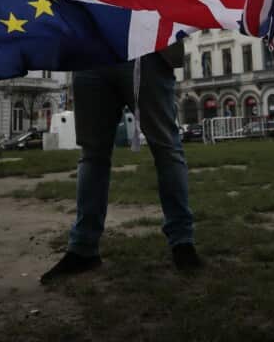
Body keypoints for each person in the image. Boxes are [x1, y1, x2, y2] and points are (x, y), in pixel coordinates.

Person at [41, 43, 200, 283]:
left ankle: (182, 242)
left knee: (166, 147)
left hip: (146, 47)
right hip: (92, 52)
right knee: (93, 154)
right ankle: (83, 248)